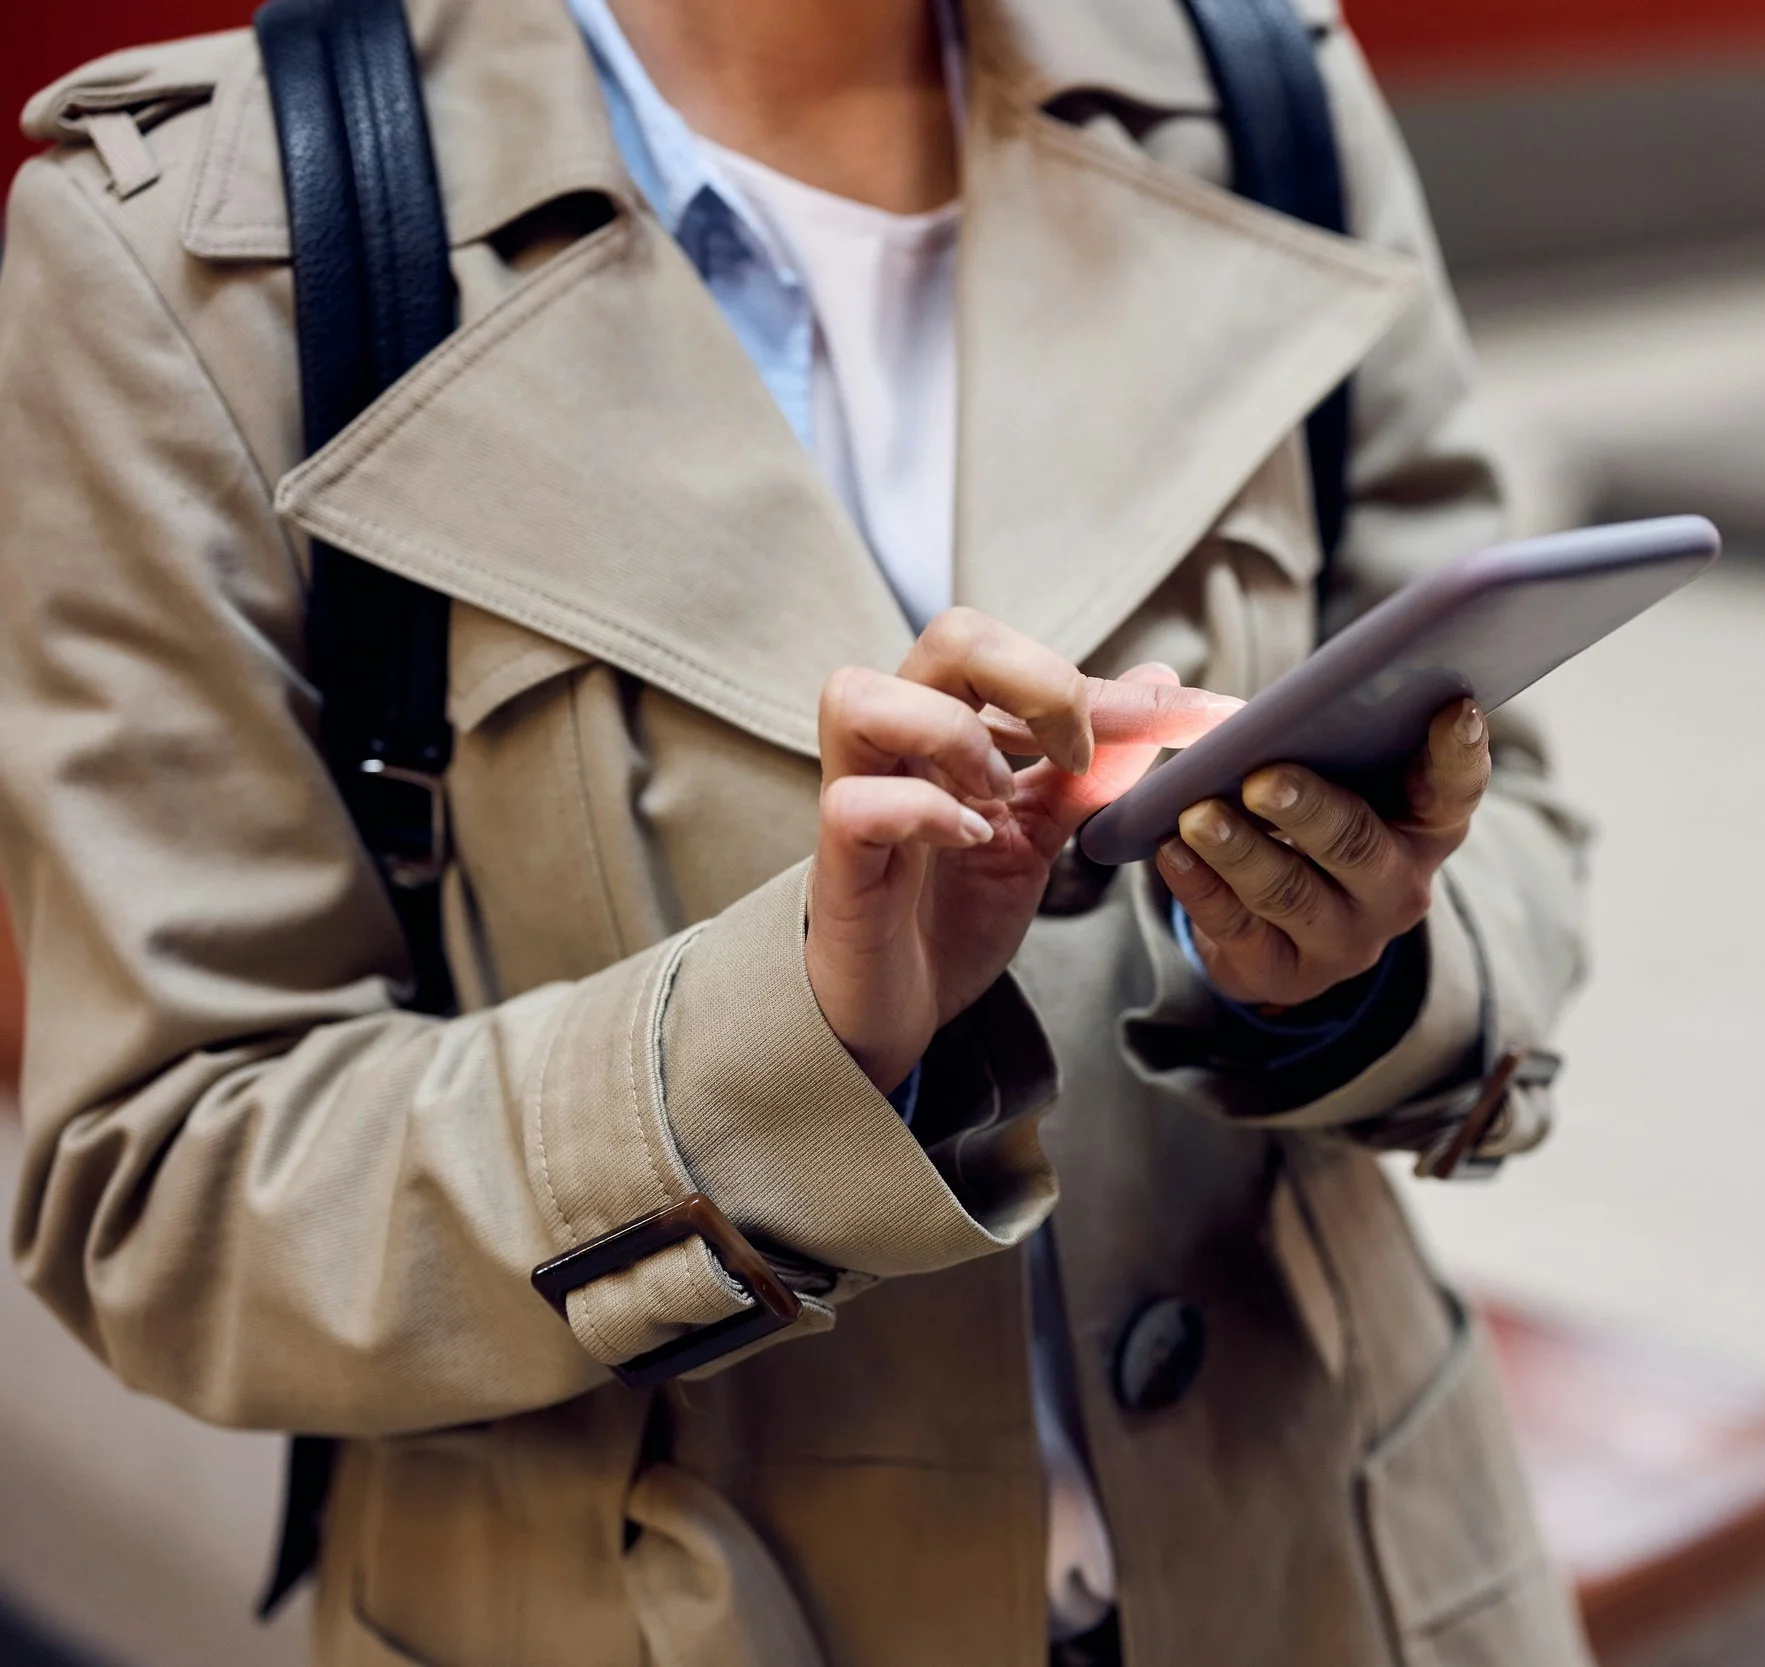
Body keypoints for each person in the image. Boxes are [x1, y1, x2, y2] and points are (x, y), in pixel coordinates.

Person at [0, 0, 1592, 1661]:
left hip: (1346, 1576)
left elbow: (1519, 798)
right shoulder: (211, 240)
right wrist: (787, 1050)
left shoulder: (1254, 83)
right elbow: (170, 1191)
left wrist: (1341, 965)